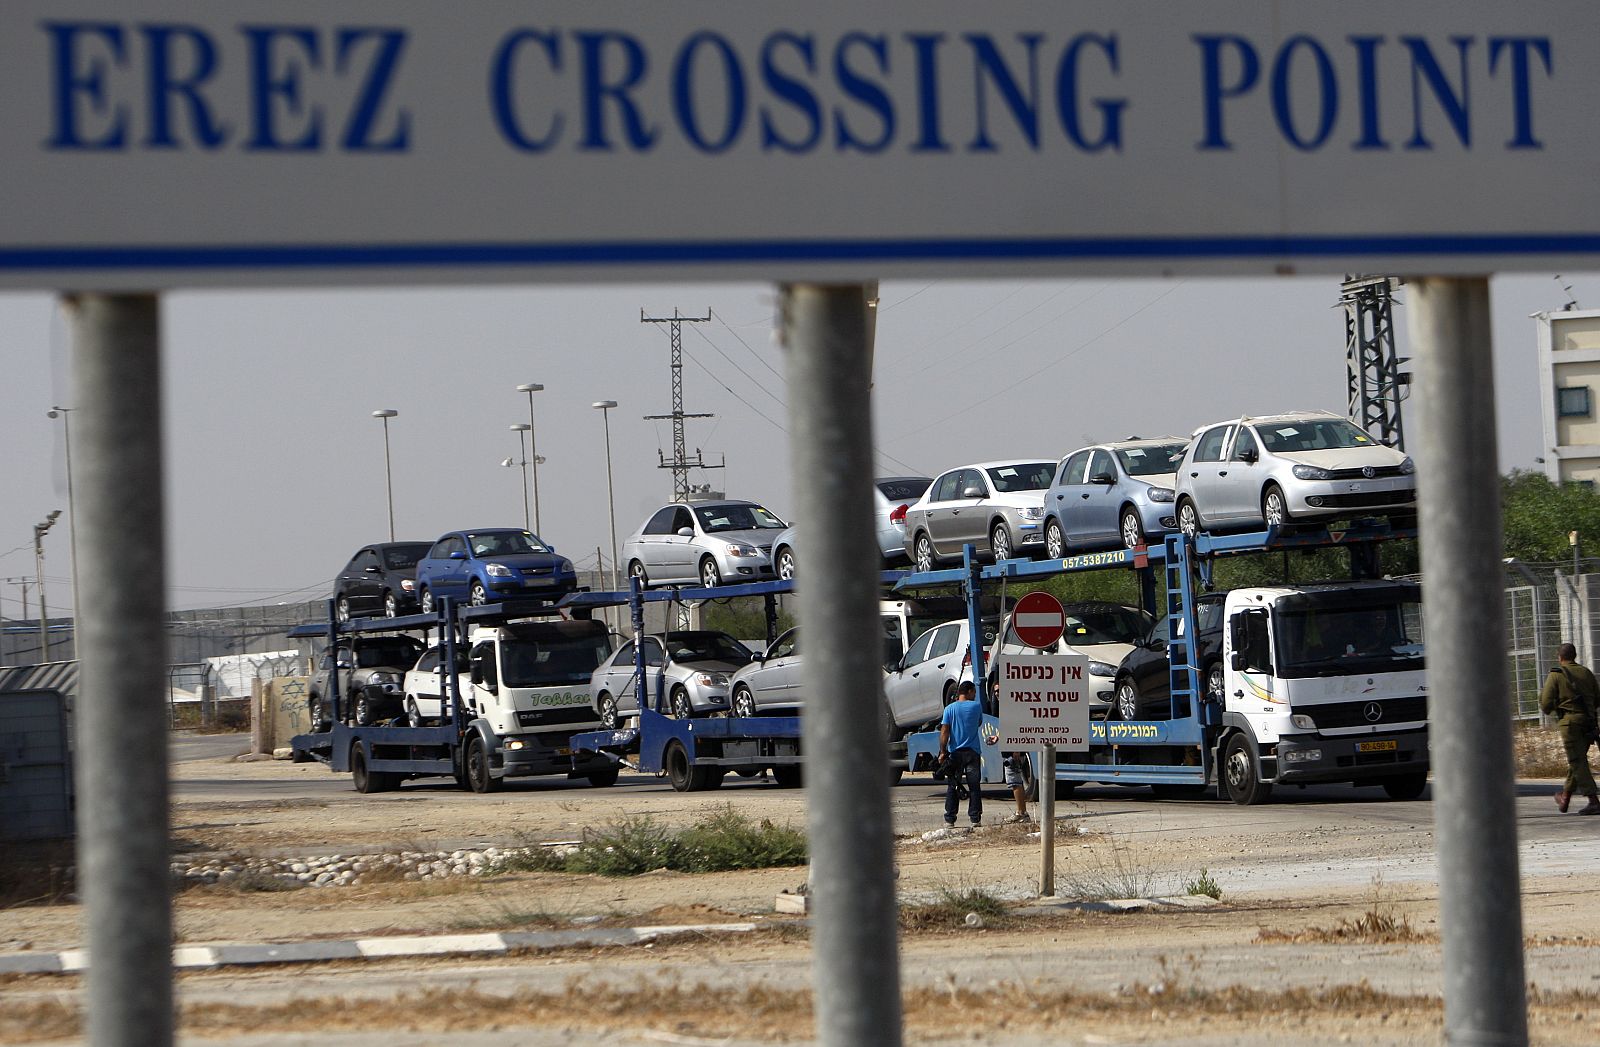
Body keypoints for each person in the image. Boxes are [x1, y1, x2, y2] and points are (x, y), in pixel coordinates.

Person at [1540, 642, 1600, 815]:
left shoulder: (1556, 675)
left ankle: (1593, 800)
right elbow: (1597, 698)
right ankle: (1565, 796)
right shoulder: (1586, 673)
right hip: (1589, 723)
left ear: (1560, 658)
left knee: (1577, 761)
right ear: (1574, 656)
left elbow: (1545, 704)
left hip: (1570, 724)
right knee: (1578, 759)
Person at [937, 681, 984, 828]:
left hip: (955, 753)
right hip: (973, 752)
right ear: (969, 691)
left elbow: (944, 732)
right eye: (974, 692)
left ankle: (950, 819)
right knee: (974, 786)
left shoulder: (949, 709)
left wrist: (943, 751)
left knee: (953, 785)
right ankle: (975, 819)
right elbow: (978, 723)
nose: (975, 695)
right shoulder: (976, 707)